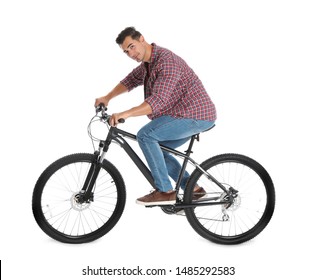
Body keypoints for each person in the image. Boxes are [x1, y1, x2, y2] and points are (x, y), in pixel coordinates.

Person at [95, 27, 217, 206]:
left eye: (132, 46)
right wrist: (107, 97)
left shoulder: (166, 62)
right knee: (156, 149)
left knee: (146, 135)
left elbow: (157, 101)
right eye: (126, 51)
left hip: (196, 114)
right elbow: (129, 81)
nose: (131, 54)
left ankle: (165, 191)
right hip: (181, 113)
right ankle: (194, 190)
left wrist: (125, 114)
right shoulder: (148, 63)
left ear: (142, 39)